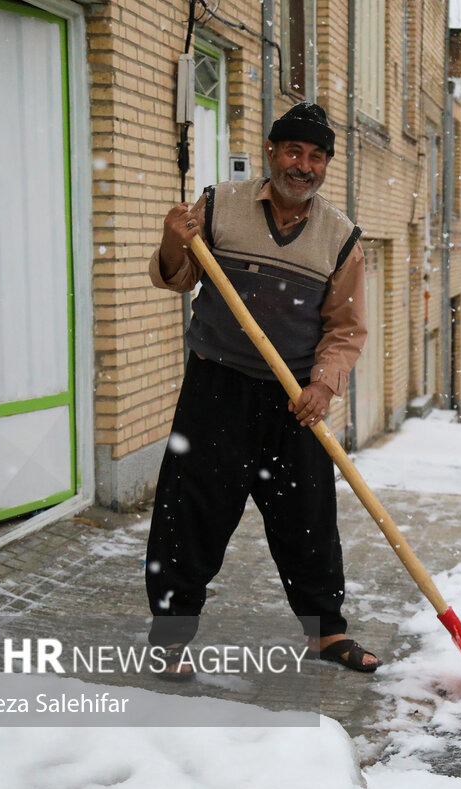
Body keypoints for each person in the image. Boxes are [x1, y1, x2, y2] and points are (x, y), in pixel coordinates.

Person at [143, 102, 379, 678]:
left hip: (293, 399)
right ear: (272, 151)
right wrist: (174, 241)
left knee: (308, 517)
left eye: (316, 156)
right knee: (190, 511)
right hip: (216, 386)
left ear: (325, 165)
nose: (303, 165)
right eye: (294, 151)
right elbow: (173, 276)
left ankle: (326, 633)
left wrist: (322, 386)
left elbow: (345, 328)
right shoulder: (220, 206)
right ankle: (170, 637)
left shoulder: (341, 237)